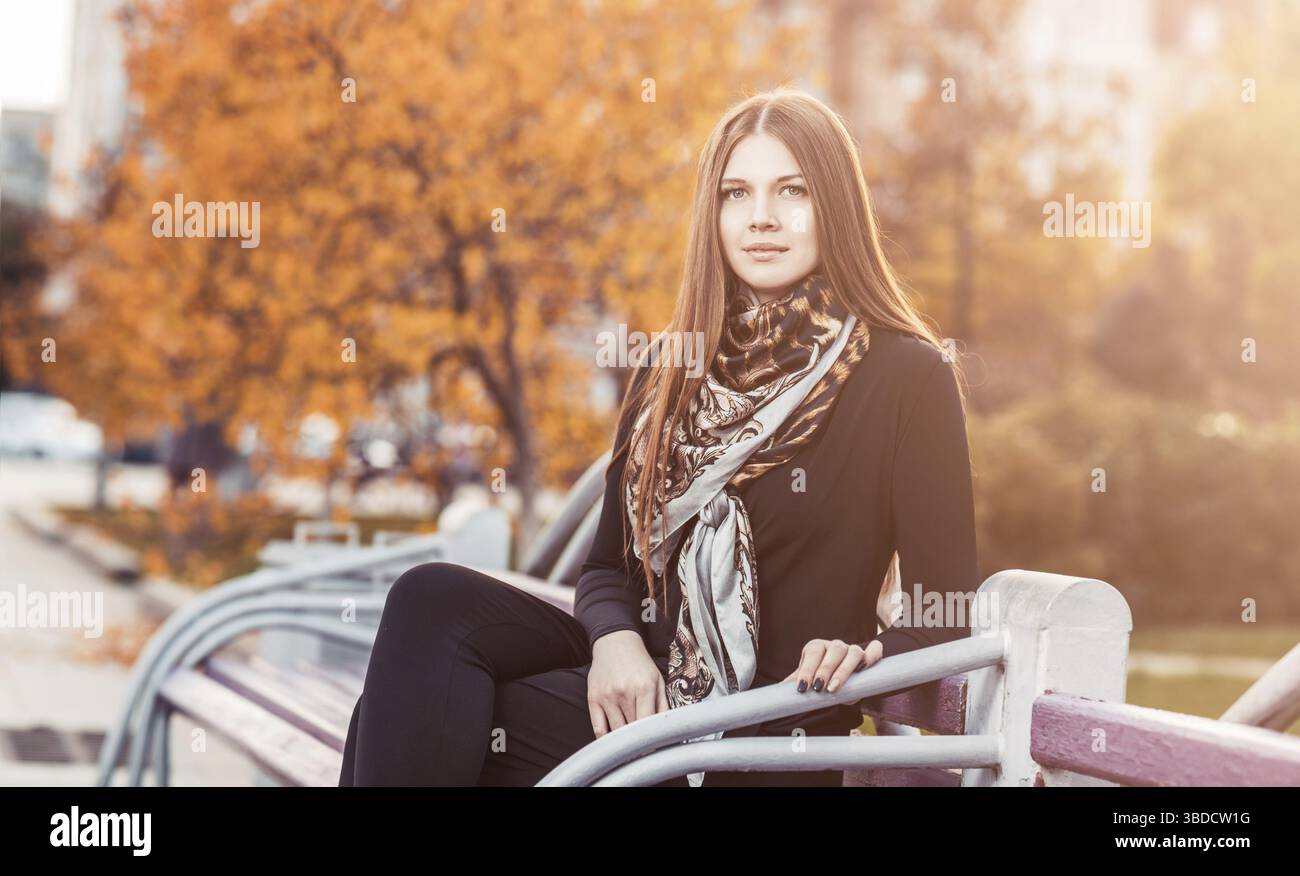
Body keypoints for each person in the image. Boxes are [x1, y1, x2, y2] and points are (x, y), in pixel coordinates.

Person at [338, 88, 980, 787]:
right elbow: (607, 568)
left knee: (404, 711)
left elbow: (943, 614)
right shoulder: (673, 368)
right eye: (736, 194)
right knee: (431, 602)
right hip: (639, 706)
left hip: (755, 737)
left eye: (791, 191)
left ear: (836, 205)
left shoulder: (905, 376)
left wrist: (865, 651)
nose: (761, 218)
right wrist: (615, 642)